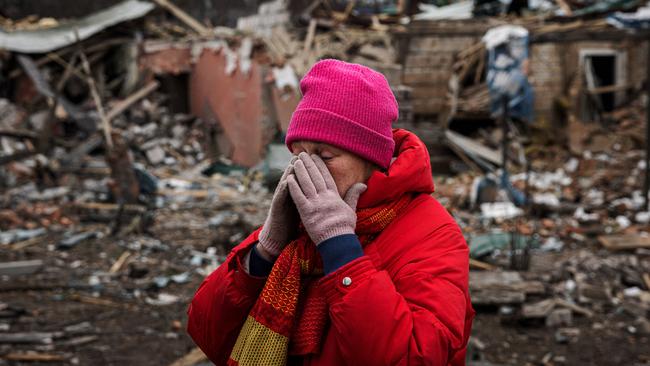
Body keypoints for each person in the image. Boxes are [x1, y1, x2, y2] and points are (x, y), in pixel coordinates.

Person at [187, 59, 474, 366]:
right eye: (299, 155)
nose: (308, 169)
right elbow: (208, 335)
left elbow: (417, 357)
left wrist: (341, 249)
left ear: (371, 161)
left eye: (325, 156)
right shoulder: (299, 227)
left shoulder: (433, 234)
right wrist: (264, 250)